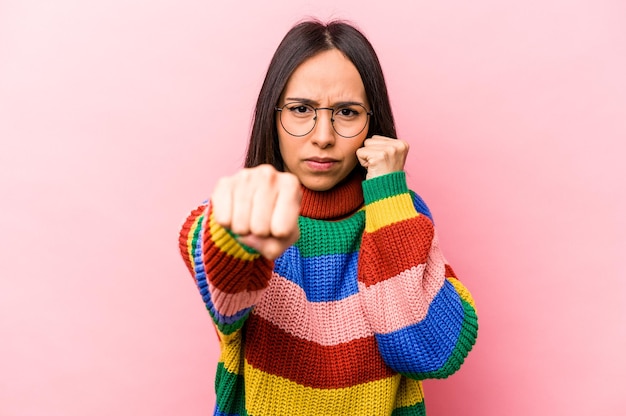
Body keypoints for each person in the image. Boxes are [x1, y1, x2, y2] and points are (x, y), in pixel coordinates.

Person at [179, 19, 478, 416]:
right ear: (273, 116)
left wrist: (389, 197)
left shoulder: (401, 214)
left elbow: (430, 352)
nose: (323, 135)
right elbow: (223, 280)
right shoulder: (246, 210)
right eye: (301, 109)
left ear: (373, 123)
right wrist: (236, 233)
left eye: (347, 112)